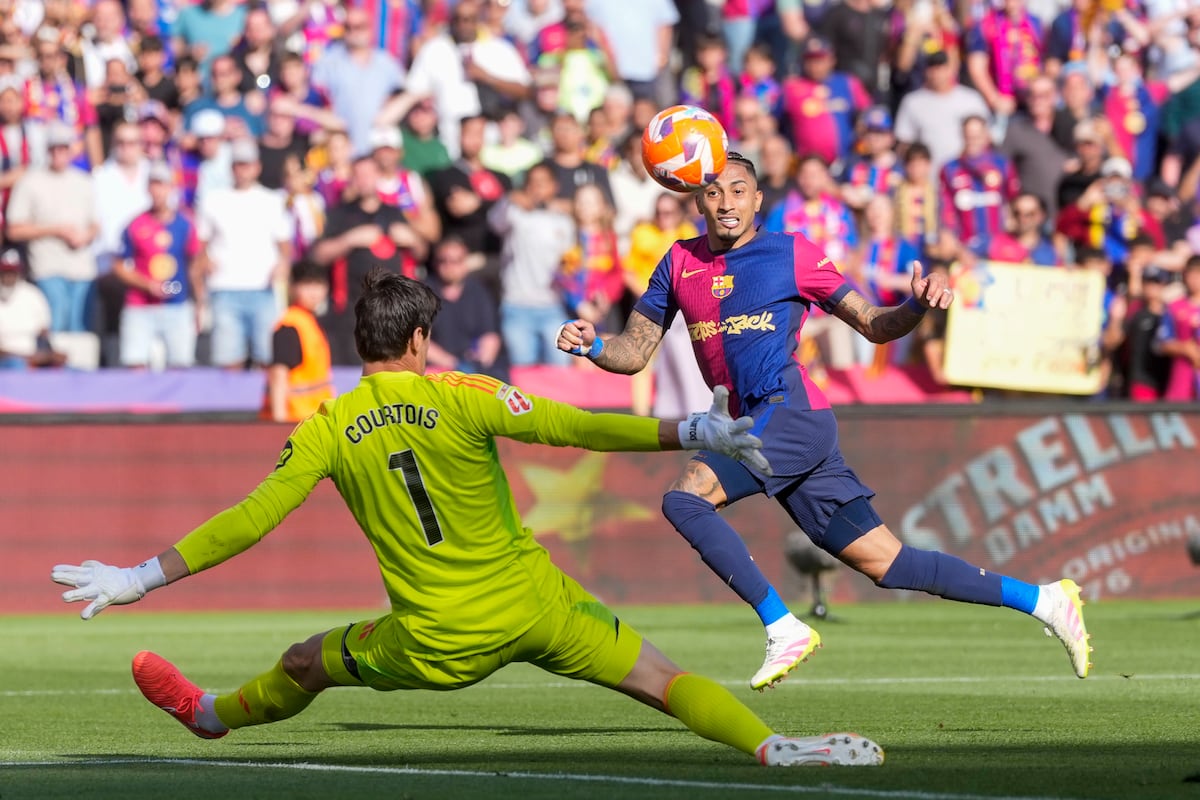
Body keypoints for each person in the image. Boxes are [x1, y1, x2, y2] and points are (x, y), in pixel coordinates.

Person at [48, 269, 883, 769]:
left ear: (361, 342)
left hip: (436, 643)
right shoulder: (465, 395)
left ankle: (209, 715)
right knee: (662, 681)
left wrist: (139, 577)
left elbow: (249, 520)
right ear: (418, 339)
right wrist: (692, 429)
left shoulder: (326, 428)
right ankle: (771, 746)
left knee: (306, 661)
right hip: (539, 607)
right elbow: (576, 427)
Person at [556, 152, 1093, 690]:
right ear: (698, 200)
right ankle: (1046, 600)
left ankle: (782, 626)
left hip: (789, 412)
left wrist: (915, 306)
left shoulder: (792, 253)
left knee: (685, 499)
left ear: (758, 199)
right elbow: (633, 351)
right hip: (761, 423)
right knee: (891, 565)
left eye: (738, 191)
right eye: (714, 192)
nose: (726, 204)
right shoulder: (678, 262)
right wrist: (594, 345)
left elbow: (874, 325)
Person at [263, 259, 333, 423]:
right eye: (307, 285)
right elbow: (279, 376)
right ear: (292, 287)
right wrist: (279, 427)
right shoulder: (290, 326)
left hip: (311, 420)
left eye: (319, 285)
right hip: (294, 422)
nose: (314, 293)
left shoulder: (310, 322)